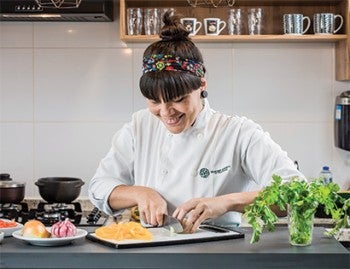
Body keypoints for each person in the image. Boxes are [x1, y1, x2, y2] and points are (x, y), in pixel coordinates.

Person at [89, 11, 304, 233]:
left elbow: (297, 194)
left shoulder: (237, 133)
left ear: (201, 85)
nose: (165, 113)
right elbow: (99, 187)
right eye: (154, 101)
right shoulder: (140, 126)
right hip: (153, 252)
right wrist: (141, 193)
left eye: (178, 100)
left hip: (218, 254)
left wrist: (226, 202)